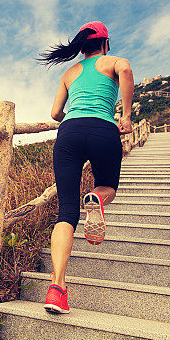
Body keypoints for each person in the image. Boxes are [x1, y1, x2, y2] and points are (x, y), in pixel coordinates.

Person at [36, 21, 134, 314]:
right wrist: (125, 116)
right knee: (108, 187)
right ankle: (97, 199)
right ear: (105, 43)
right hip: (103, 130)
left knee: (66, 212)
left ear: (80, 46)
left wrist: (73, 117)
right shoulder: (113, 62)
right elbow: (126, 71)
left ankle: (57, 288)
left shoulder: (70, 72)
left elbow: (55, 113)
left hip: (69, 133)